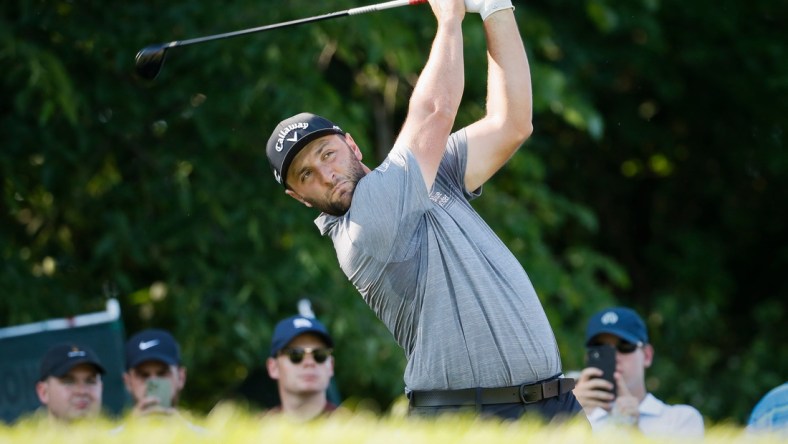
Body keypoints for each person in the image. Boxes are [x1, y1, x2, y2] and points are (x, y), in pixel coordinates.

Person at [265, 0, 581, 421]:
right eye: (305, 175)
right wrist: (448, 16)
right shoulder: (362, 225)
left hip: (555, 408)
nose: (325, 173)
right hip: (467, 417)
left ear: (353, 146)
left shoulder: (428, 177)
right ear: (298, 197)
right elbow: (435, 110)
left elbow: (512, 123)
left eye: (327, 154)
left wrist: (494, 8)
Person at [573, 307, 704, 437]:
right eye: (601, 349)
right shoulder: (574, 416)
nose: (614, 357)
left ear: (647, 355)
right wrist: (569, 412)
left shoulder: (680, 419)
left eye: (624, 346)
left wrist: (634, 430)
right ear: (587, 357)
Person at [265, 315, 337, 421]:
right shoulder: (256, 431)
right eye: (296, 354)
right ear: (273, 368)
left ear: (330, 366)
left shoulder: (354, 429)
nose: (309, 362)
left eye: (319, 355)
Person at [122, 328, 187, 416]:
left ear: (181, 377)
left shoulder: (206, 430)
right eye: (144, 375)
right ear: (128, 382)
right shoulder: (108, 430)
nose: (154, 383)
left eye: (162, 373)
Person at [35, 342, 105, 422]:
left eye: (90, 381)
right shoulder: (23, 433)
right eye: (69, 381)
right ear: (44, 392)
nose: (82, 391)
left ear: (101, 388)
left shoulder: (118, 434)